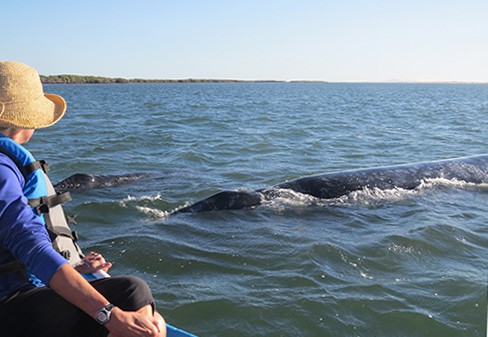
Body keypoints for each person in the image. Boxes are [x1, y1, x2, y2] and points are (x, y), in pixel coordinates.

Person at [0, 61, 166, 337]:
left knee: (140, 309)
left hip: (18, 293)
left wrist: (74, 266)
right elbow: (26, 242)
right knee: (132, 293)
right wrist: (108, 314)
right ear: (24, 119)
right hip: (9, 304)